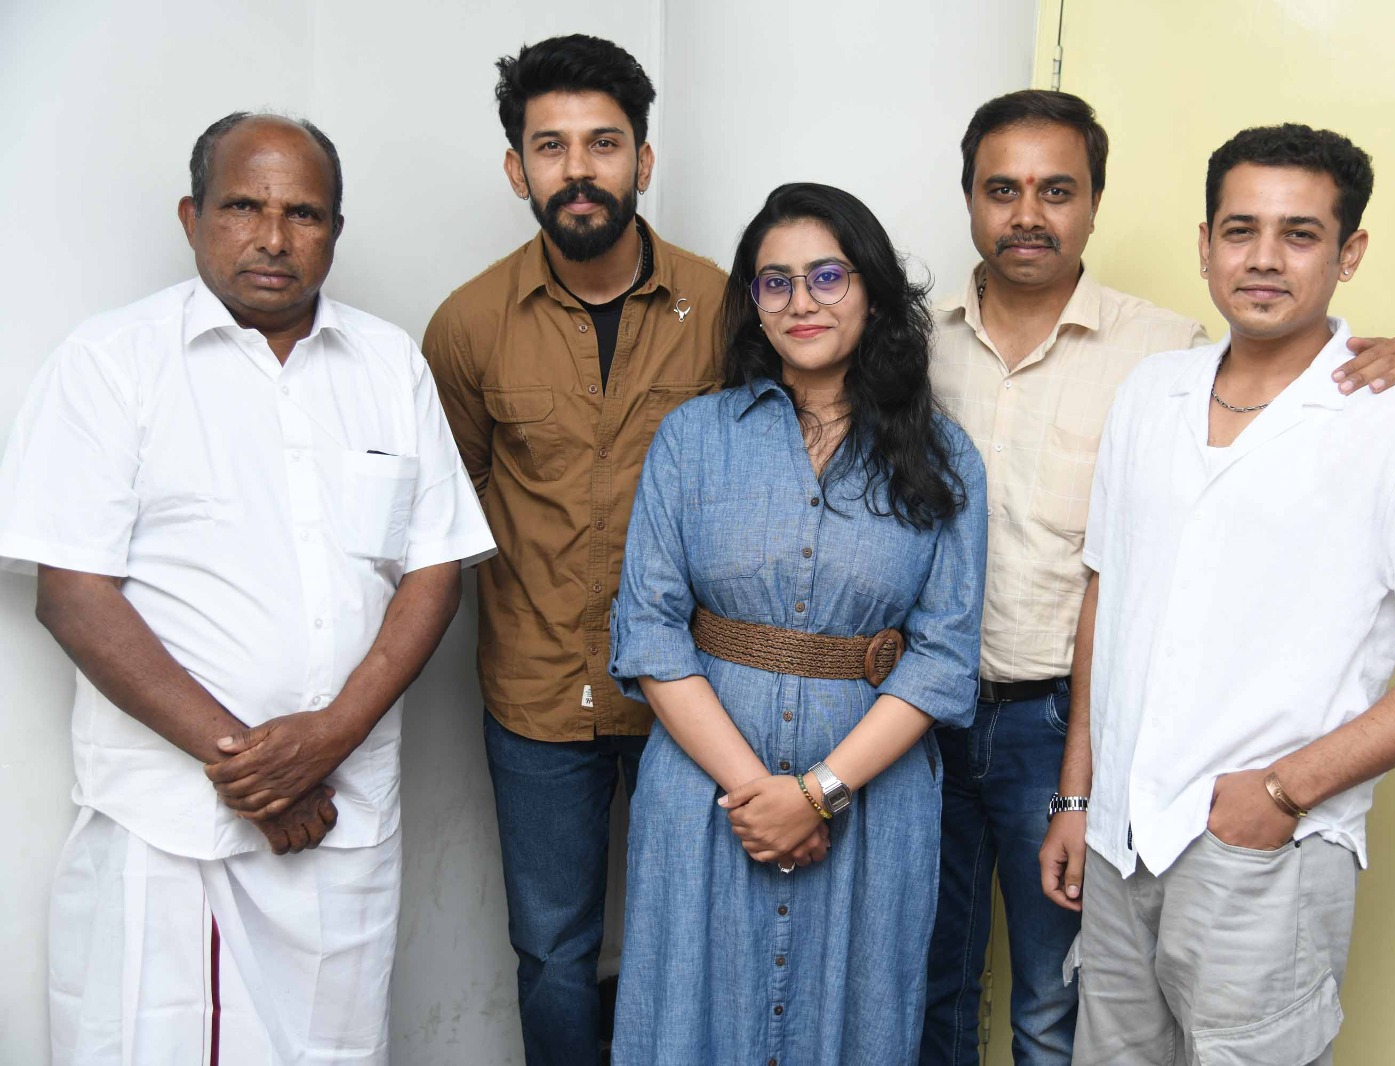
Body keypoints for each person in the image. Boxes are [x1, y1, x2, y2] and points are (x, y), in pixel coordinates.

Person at [923, 89, 1395, 1065]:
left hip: (1067, 726)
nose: (1028, 214)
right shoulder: (912, 345)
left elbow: (1297, 387)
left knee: (1051, 1001)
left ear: (1095, 203)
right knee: (934, 984)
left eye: (1057, 190)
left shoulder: (1162, 351)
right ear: (969, 199)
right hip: (932, 717)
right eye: (1002, 189)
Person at [0, 112, 496, 1064]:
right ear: (192, 218)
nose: (273, 237)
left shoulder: (388, 363)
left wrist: (329, 739)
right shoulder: (110, 362)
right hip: (169, 820)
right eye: (242, 207)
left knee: (332, 1050)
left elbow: (435, 573)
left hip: (340, 815)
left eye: (303, 213)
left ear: (335, 231)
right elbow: (72, 594)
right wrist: (257, 770)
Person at [1039, 123, 1395, 1064]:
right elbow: (1110, 593)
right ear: (1205, 244)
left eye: (1300, 234)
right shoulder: (1151, 392)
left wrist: (1281, 790)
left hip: (1260, 851)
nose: (1263, 258)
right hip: (1120, 843)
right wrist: (1077, 797)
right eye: (1240, 230)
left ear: (1350, 253)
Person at [606, 182, 988, 1064]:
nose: (801, 302)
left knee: (853, 1024)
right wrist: (760, 796)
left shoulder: (943, 456)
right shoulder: (692, 440)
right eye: (775, 282)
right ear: (753, 302)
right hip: (707, 795)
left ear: (873, 293)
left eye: (827, 276)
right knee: (692, 1020)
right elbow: (650, 628)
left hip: (875, 800)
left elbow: (942, 657)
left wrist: (817, 795)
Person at [421, 34, 726, 1065]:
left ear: (645, 159)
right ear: (518, 170)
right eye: (550, 147)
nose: (579, 169)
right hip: (537, 694)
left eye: (604, 143)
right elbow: (450, 505)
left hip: (695, 691)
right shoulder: (468, 324)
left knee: (697, 932)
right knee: (552, 950)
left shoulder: (723, 308)